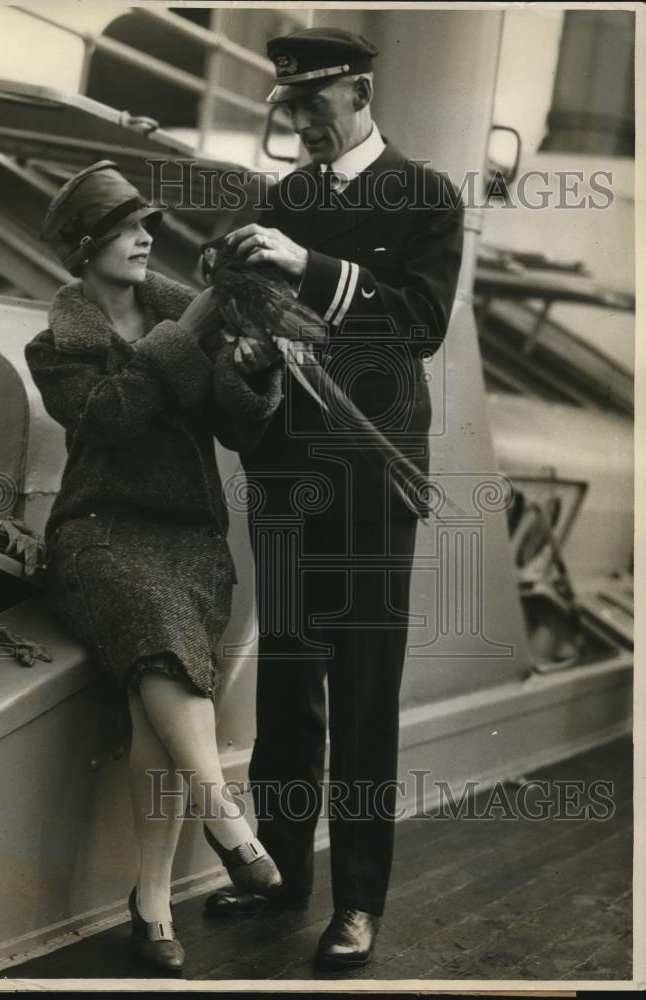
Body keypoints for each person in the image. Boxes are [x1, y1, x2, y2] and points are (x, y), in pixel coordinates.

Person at [203, 28, 464, 971]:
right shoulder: (284, 200)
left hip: (371, 475)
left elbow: (419, 326)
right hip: (287, 470)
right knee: (285, 686)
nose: (303, 124)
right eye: (291, 108)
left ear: (358, 93)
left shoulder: (426, 195)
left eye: (317, 105)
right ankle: (278, 866)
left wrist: (303, 267)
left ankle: (357, 901)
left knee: (360, 695)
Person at [24, 161, 285, 977]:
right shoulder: (56, 345)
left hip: (189, 537)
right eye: (132, 226)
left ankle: (152, 905)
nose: (147, 238)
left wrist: (255, 366)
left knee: (160, 697)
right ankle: (228, 820)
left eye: (148, 225)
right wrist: (190, 332)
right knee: (164, 639)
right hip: (98, 535)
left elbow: (240, 429)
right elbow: (112, 417)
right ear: (90, 244)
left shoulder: (179, 308)